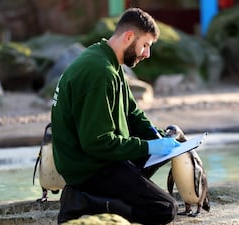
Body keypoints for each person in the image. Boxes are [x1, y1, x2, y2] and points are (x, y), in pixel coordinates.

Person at [51, 8, 180, 225]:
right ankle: (83, 199)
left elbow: (132, 112)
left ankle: (109, 193)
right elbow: (97, 143)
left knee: (166, 148)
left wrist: (155, 137)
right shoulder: (100, 72)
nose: (147, 54)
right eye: (145, 45)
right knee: (164, 209)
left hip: (104, 157)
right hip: (89, 167)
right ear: (129, 37)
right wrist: (148, 147)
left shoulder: (108, 59)